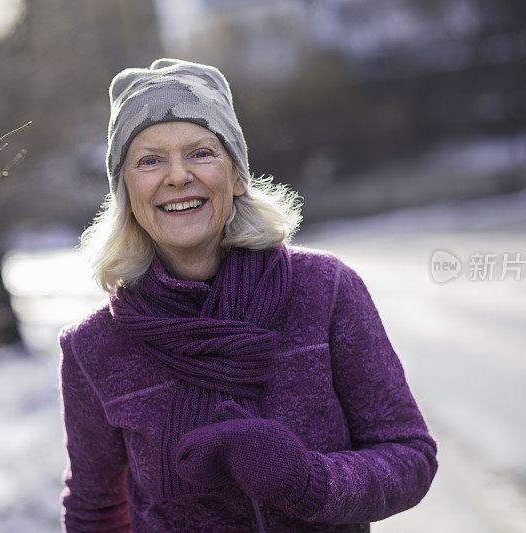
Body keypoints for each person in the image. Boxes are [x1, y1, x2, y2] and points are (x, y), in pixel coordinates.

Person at [58, 58, 437, 533]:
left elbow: (410, 457)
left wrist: (309, 481)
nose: (177, 176)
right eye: (149, 160)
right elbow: (95, 512)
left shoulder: (324, 291)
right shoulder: (95, 347)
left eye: (201, 153)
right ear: (126, 192)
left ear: (237, 176)